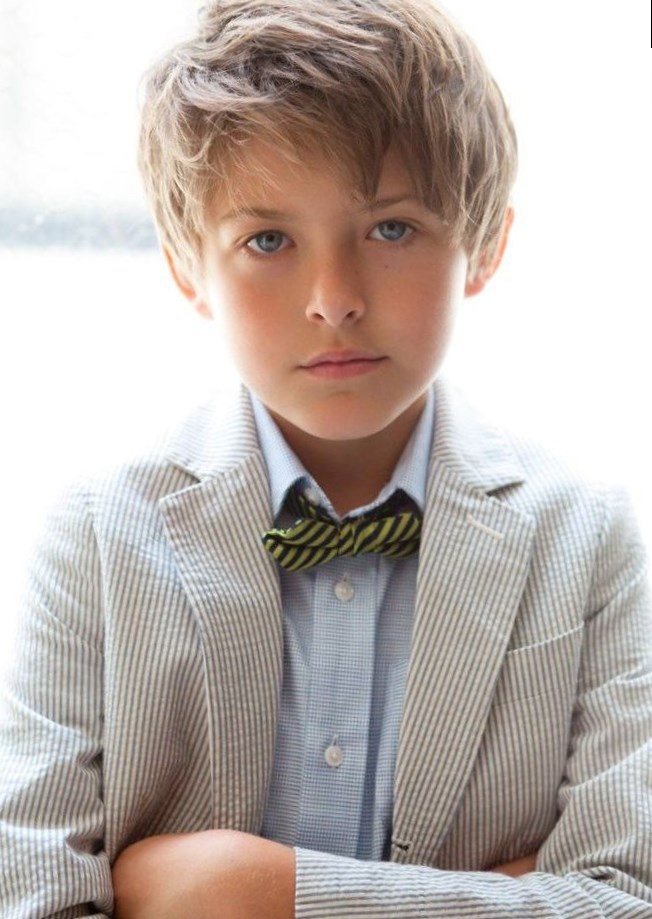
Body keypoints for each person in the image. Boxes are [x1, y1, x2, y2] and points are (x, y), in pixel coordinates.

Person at [1, 0, 651, 916]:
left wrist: (251, 891)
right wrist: (493, 897)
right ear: (188, 267)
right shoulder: (95, 536)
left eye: (391, 229)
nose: (334, 299)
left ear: (484, 244)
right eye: (267, 240)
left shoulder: (588, 536)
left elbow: (625, 898)